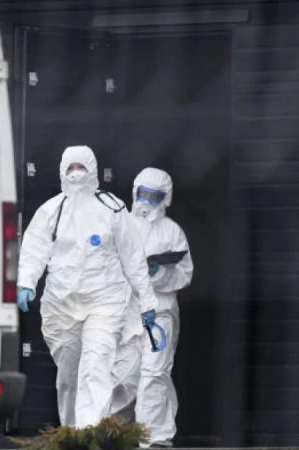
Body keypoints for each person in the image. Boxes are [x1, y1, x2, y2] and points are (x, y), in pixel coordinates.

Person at [16, 145, 158, 429]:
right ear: (61, 171)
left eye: (81, 167)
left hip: (104, 305)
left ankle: (88, 435)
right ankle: (71, 433)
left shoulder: (113, 209)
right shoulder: (51, 211)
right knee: (69, 378)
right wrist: (27, 281)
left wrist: (146, 300)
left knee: (95, 368)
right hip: (61, 307)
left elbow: (133, 258)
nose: (76, 174)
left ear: (92, 170)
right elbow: (34, 249)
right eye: (70, 168)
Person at [109, 167, 194, 448]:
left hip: (159, 314)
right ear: (135, 192)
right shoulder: (121, 225)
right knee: (122, 374)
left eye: (154, 196)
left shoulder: (172, 232)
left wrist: (157, 273)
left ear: (165, 198)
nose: (147, 201)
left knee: (154, 373)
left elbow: (185, 274)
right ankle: (111, 431)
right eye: (143, 194)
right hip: (127, 313)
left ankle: (154, 437)